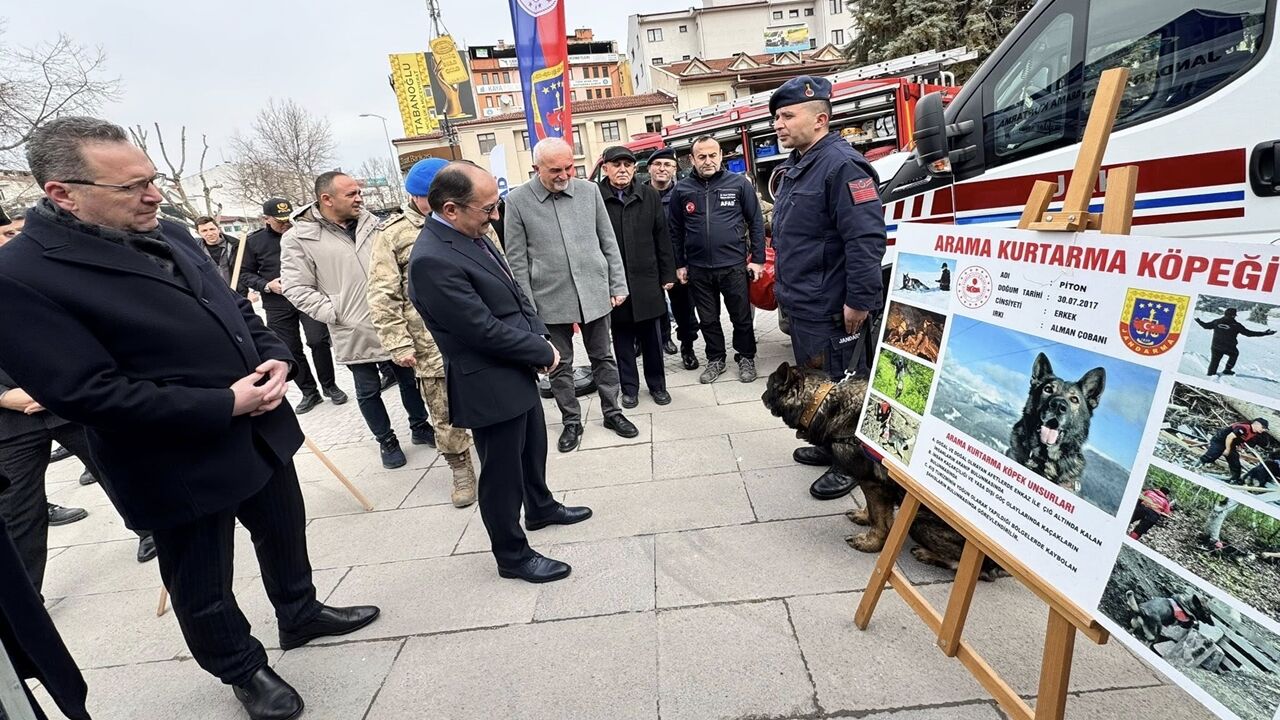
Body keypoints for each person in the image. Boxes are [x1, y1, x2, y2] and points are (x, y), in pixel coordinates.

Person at [0, 117, 379, 720]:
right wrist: (225, 404)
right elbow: (83, 391)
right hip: (172, 458)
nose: (153, 195)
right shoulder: (22, 274)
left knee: (284, 530)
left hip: (261, 428)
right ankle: (240, 667)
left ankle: (300, 612)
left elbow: (233, 309)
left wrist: (278, 360)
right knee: (201, 578)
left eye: (151, 179)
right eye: (131, 187)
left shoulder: (170, 231)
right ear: (62, 194)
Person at [407, 161, 592, 583]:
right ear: (451, 209)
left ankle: (541, 508)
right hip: (487, 379)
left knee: (532, 449)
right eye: (486, 208)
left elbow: (514, 292)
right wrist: (539, 350)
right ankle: (512, 555)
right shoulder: (431, 258)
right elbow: (479, 329)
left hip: (516, 365)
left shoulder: (472, 233)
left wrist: (541, 337)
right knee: (501, 475)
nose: (494, 216)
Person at [770, 75, 887, 501]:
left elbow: (865, 238)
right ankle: (827, 443)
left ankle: (851, 462)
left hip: (831, 305)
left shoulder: (842, 165)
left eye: (787, 116)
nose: (778, 125)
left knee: (844, 386)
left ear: (820, 119)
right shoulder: (800, 165)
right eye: (776, 117)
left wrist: (859, 300)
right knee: (818, 382)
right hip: (803, 303)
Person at [281, 171, 435, 469]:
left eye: (358, 192)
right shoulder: (299, 237)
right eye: (351, 194)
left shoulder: (375, 224)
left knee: (409, 380)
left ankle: (420, 426)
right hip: (351, 326)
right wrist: (335, 313)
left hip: (393, 320)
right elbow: (295, 287)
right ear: (327, 199)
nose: (359, 198)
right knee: (367, 389)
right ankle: (386, 439)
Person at [504, 137, 635, 453]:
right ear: (536, 169)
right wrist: (528, 308)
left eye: (569, 168)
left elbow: (608, 242)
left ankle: (612, 412)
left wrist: (617, 284)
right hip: (548, 299)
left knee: (603, 356)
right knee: (559, 365)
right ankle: (571, 421)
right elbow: (516, 259)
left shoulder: (589, 192)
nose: (564, 175)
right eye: (555, 170)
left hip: (593, 290)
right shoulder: (518, 201)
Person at [368, 158, 478, 508]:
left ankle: (498, 458)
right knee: (443, 409)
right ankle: (460, 468)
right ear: (420, 196)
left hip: (480, 332)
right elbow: (383, 293)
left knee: (489, 399)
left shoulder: (469, 218)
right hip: (430, 342)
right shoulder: (394, 235)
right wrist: (398, 342)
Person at [2, 366, 156, 571]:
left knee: (116, 469)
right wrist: (3, 396)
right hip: (9, 418)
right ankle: (23, 593)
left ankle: (151, 531)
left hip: (68, 396)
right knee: (16, 506)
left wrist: (53, 387)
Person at [667, 136, 765, 384]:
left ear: (721, 156)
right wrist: (680, 264)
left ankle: (746, 357)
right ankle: (716, 359)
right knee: (708, 318)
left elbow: (755, 223)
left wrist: (758, 260)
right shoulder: (682, 190)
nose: (708, 161)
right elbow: (675, 230)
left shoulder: (739, 184)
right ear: (692, 160)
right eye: (702, 156)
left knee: (741, 317)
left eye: (712, 155)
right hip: (698, 269)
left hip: (733, 265)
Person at [239, 198, 347, 414]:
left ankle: (330, 385)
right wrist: (266, 285)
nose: (285, 224)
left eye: (287, 219)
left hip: (307, 297)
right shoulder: (253, 242)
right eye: (279, 221)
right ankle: (309, 392)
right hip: (276, 303)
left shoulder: (302, 234)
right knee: (289, 348)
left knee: (318, 341)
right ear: (266, 219)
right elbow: (244, 273)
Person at [598, 146, 677, 408]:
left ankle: (657, 386)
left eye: (628, 165)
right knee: (621, 339)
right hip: (615, 283)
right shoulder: (596, 196)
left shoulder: (649, 195)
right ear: (605, 168)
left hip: (647, 279)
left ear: (635, 169)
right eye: (616, 164)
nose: (622, 170)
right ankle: (629, 388)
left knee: (653, 339)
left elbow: (661, 237)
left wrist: (667, 273)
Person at [649, 148, 701, 370]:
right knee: (654, 307)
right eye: (658, 164)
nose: (662, 169)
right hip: (650, 263)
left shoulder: (683, 194)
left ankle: (687, 347)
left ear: (675, 169)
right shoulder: (640, 195)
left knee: (684, 310)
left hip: (678, 261)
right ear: (649, 168)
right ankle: (663, 338)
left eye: (668, 164)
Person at [1195, 307, 1275, 376]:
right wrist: (1265, 333)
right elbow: (1249, 333)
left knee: (1214, 361)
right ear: (1233, 315)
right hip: (1229, 347)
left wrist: (1199, 321)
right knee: (1234, 354)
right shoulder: (1236, 325)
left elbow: (1205, 326)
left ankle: (1211, 374)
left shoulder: (1216, 322)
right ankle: (1227, 370)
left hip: (1216, 346)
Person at [1200, 417, 1270, 484]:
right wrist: (1227, 449)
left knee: (1235, 461)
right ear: (1256, 424)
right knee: (1213, 454)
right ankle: (1198, 465)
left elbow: (1242, 438)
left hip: (1231, 444)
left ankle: (1235, 478)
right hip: (1220, 440)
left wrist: (1239, 445)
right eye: (1263, 427)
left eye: (1265, 429)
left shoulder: (1254, 433)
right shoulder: (1243, 428)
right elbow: (1229, 437)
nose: (1263, 430)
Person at [194, 215, 239, 286]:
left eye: (212, 229)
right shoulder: (195, 250)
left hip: (239, 291)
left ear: (218, 229)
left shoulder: (236, 246)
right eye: (204, 231)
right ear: (198, 233)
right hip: (214, 293)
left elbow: (246, 270)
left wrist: (251, 291)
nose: (210, 233)